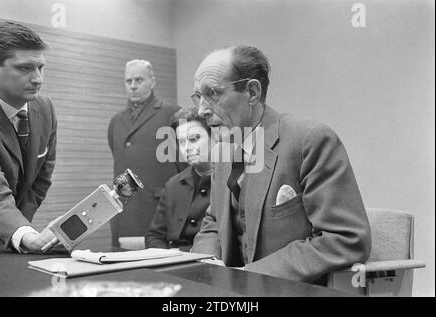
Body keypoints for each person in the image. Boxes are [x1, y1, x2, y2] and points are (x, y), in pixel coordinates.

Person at [190, 45, 371, 284]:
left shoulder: (310, 140)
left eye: (212, 93)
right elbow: (213, 224)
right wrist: (207, 267)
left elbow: (345, 238)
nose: (201, 109)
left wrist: (250, 276)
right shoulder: (223, 153)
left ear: (252, 92)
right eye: (198, 97)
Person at [0, 21, 58, 253]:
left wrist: (21, 230)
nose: (37, 78)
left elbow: (40, 180)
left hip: (11, 238)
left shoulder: (45, 108)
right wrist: (25, 234)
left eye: (41, 68)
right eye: (25, 68)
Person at [108, 59, 182, 247]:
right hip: (125, 212)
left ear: (152, 82)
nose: (133, 86)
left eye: (139, 80)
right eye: (128, 81)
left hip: (160, 210)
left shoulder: (172, 114)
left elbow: (185, 167)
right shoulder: (116, 121)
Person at [145, 108, 212, 251]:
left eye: (194, 139)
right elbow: (154, 236)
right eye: (181, 142)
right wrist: (167, 258)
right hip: (171, 264)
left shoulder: (229, 182)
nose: (187, 147)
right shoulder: (173, 185)